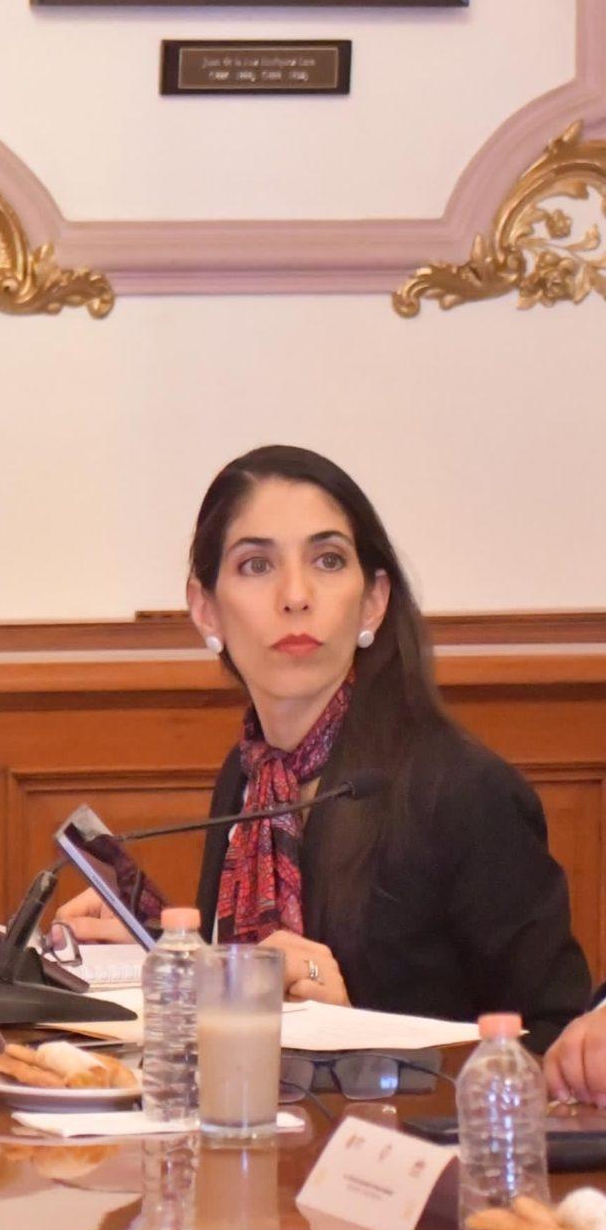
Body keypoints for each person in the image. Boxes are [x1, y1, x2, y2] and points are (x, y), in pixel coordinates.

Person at [59, 446, 590, 1045]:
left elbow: (558, 1040)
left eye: (328, 560)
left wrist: (350, 1027)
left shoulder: (463, 791)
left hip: (412, 1134)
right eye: (256, 565)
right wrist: (161, 955)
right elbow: (260, 987)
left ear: (373, 601)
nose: (295, 595)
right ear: (206, 610)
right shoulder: (249, 775)